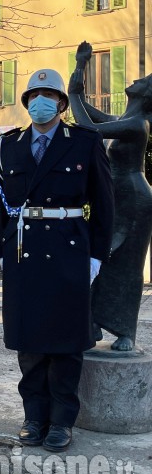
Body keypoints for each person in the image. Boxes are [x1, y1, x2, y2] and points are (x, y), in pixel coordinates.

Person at [0, 68, 114, 452]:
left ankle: (61, 421)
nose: (40, 102)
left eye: (49, 95)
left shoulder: (84, 142)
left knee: (64, 341)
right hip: (23, 252)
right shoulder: (5, 146)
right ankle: (33, 416)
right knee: (29, 341)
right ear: (26, 102)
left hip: (68, 249)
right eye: (33, 95)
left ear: (61, 103)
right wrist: (1, 252)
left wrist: (96, 254)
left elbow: (105, 203)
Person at [69, 41, 152, 352]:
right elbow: (85, 111)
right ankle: (94, 321)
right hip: (117, 194)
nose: (136, 79)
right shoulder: (125, 118)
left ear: (145, 95)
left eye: (143, 80)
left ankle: (126, 331)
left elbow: (86, 128)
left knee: (125, 264)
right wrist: (79, 69)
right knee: (100, 256)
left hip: (134, 198)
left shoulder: (136, 125)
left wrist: (77, 85)